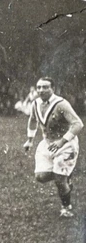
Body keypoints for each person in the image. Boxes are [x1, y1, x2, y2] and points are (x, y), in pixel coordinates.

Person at [24, 77, 83, 217]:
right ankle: (65, 176)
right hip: (48, 144)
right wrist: (30, 140)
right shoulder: (36, 104)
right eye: (38, 87)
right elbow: (32, 120)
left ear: (53, 89)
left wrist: (62, 141)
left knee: (59, 179)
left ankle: (66, 207)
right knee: (40, 176)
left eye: (45, 87)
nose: (41, 90)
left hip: (66, 144)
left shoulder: (61, 104)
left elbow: (78, 124)